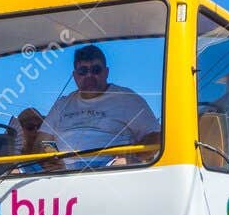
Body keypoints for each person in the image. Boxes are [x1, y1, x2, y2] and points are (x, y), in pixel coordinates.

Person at [29, 45, 159, 166]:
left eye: (96, 70)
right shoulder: (62, 104)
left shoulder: (127, 98)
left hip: (110, 170)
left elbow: (156, 136)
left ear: (106, 72)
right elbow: (42, 141)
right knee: (15, 172)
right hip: (63, 172)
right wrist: (55, 159)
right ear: (74, 75)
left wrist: (132, 157)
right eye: (83, 71)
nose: (89, 76)